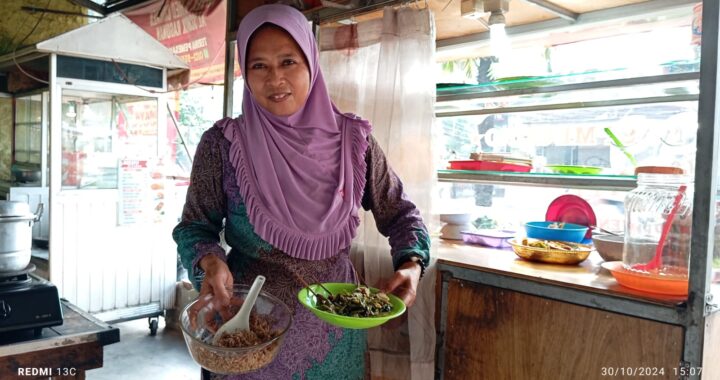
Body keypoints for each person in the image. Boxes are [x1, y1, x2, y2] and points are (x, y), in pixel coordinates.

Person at [172, 4, 430, 379]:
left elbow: (401, 213)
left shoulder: (354, 144)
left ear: (311, 62)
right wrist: (211, 263)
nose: (275, 78)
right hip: (247, 331)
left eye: (288, 61)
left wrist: (411, 265)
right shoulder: (222, 146)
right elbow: (195, 227)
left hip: (335, 339)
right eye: (259, 65)